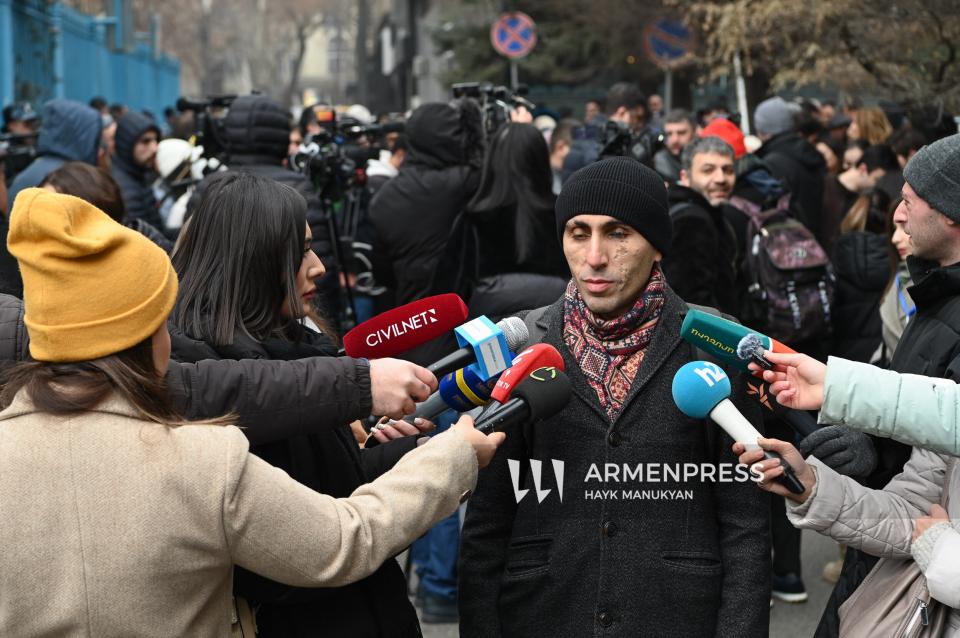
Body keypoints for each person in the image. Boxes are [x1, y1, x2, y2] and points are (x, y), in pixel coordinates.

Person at [0, 187, 503, 637]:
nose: (318, 266)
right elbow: (340, 542)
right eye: (158, 318)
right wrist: (450, 456)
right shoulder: (204, 457)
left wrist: (380, 456)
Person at [459, 157, 770, 637]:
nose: (595, 256)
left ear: (657, 246)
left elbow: (745, 524)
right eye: (578, 233)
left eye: (618, 233)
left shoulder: (713, 342)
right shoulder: (523, 344)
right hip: (546, 612)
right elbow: (488, 522)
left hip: (675, 615)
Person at [172, 171, 439, 637]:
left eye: (313, 248)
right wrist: (440, 472)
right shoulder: (216, 380)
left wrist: (395, 456)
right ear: (250, 262)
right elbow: (304, 548)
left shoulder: (295, 344)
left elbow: (331, 489)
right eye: (298, 254)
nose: (318, 267)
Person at [803, 132, 960, 637]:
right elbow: (926, 470)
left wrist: (941, 551)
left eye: (909, 201)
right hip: (890, 562)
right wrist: (810, 486)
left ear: (952, 214)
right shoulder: (935, 297)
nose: (895, 214)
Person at [462, 122, 570, 319]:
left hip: (486, 333)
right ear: (540, 161)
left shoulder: (472, 219)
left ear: (493, 161)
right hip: (554, 327)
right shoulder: (562, 213)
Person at [661, 136, 739, 315]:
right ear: (685, 177)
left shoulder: (710, 214)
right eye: (708, 170)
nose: (720, 178)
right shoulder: (692, 221)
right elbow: (691, 300)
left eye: (727, 170)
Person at [754, 96, 827, 241]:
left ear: (763, 131)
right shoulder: (808, 152)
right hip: (815, 242)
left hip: (790, 247)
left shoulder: (771, 163)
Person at [110, 111, 163, 230]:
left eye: (156, 140)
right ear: (127, 146)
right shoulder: (122, 188)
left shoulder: (139, 174)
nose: (155, 148)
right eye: (145, 141)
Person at [652, 108, 697, 184]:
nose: (675, 140)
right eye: (669, 134)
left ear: (694, 132)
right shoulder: (660, 159)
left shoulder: (705, 156)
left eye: (681, 133)